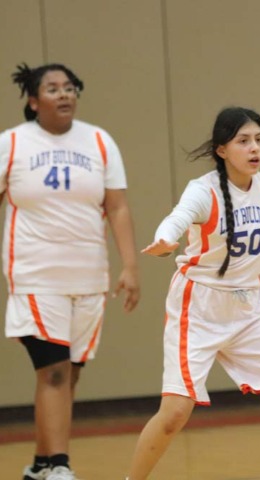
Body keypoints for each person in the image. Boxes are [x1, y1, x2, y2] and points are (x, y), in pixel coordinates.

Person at [125, 106, 260, 480]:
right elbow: (177, 218)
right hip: (198, 306)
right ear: (222, 149)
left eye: (258, 140)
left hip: (247, 308)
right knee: (175, 413)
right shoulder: (204, 190)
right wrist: (165, 239)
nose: (254, 148)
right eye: (243, 141)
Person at [0, 63, 140, 480]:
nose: (64, 94)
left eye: (69, 88)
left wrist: (130, 266)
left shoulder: (99, 141)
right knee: (55, 370)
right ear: (33, 101)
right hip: (35, 275)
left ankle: (41, 464)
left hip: (89, 277)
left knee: (68, 373)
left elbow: (117, 207)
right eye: (53, 88)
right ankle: (61, 467)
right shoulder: (11, 143)